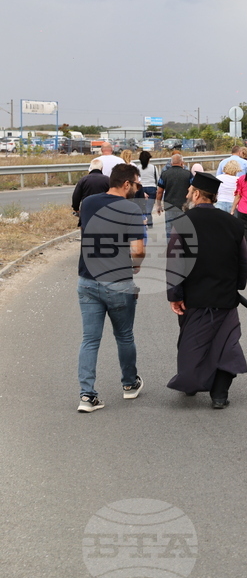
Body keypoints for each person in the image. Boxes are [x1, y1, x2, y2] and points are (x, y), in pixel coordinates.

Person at [165, 172, 247, 409]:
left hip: (195, 298)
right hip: (225, 297)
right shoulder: (233, 223)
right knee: (227, 344)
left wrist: (175, 295)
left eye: (190, 191)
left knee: (194, 345)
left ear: (198, 194)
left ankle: (191, 383)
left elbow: (176, 263)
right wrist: (236, 287)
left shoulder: (183, 222)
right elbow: (243, 261)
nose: (187, 194)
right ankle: (219, 394)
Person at [75, 163, 145, 412]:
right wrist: (135, 266)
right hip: (118, 280)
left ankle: (87, 396)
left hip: (87, 278)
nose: (137, 188)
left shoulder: (89, 203)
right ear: (126, 184)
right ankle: (129, 385)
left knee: (90, 340)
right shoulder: (131, 208)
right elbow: (138, 249)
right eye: (136, 184)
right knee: (124, 335)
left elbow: (86, 234)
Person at [155, 154, 192, 239]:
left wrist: (158, 205)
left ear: (171, 163)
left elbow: (160, 192)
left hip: (169, 207)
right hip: (184, 206)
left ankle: (171, 249)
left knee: (170, 231)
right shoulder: (188, 174)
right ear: (182, 163)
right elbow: (192, 190)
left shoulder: (165, 174)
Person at [72, 159, 111, 226]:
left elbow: (76, 196)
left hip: (87, 209)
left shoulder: (83, 180)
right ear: (102, 168)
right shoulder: (107, 180)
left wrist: (76, 208)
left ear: (90, 168)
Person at [133, 151, 158, 225]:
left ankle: (144, 220)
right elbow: (157, 178)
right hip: (151, 187)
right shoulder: (153, 167)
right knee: (149, 206)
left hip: (141, 188)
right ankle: (149, 221)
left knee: (141, 206)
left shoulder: (137, 168)